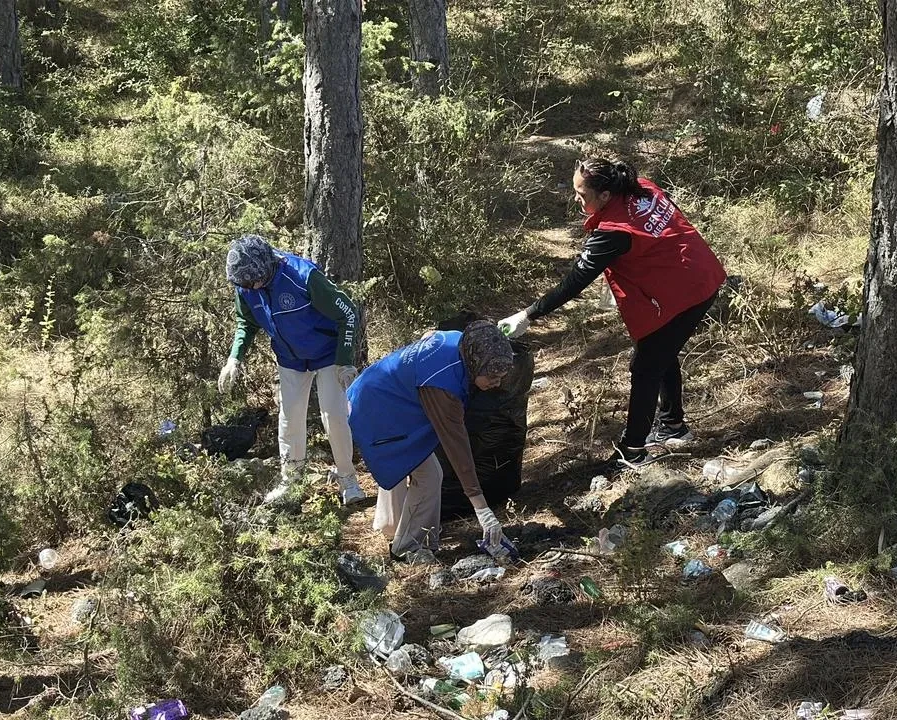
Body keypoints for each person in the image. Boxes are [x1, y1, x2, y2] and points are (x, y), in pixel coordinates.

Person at [499, 158, 725, 470]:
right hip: (699, 273)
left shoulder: (613, 231)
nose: (577, 200)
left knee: (646, 367)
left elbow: (574, 282)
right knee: (661, 351)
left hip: (685, 292)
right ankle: (674, 426)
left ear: (605, 195)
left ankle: (633, 450)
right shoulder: (642, 187)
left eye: (583, 195)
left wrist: (528, 314)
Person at [348, 320, 517, 563]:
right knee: (428, 475)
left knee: (405, 463)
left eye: (501, 376)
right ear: (476, 363)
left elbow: (431, 334)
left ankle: (392, 526)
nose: (497, 382)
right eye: (491, 375)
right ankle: (408, 547)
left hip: (377, 393)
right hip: (376, 408)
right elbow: (456, 447)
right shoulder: (443, 387)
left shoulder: (463, 341)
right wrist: (481, 508)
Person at [218, 234, 368, 505]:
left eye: (252, 282)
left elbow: (347, 312)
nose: (249, 287)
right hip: (290, 358)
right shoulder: (246, 284)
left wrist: (345, 360)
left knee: (334, 416)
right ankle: (292, 482)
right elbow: (246, 322)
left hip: (327, 353)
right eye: (244, 284)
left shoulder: (302, 276)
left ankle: (348, 479)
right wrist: (234, 358)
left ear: (266, 268)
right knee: (289, 419)